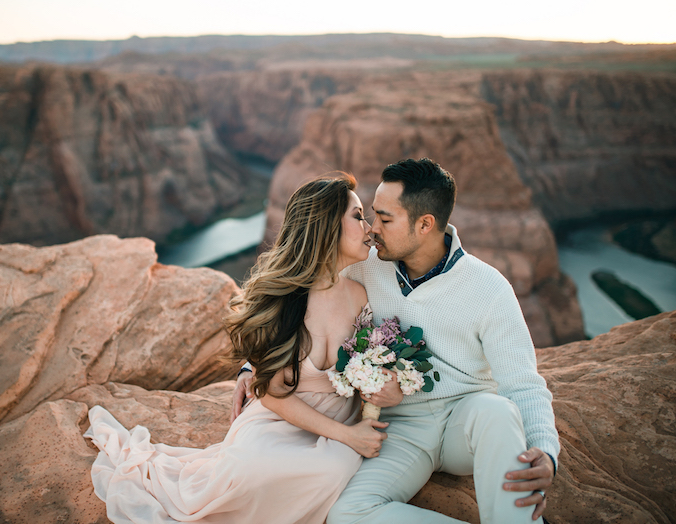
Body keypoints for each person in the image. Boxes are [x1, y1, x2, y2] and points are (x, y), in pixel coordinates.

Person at [233, 158, 560, 523]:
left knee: (497, 411)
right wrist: (254, 364)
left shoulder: (489, 287)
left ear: (424, 224)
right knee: (347, 515)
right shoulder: (361, 265)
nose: (372, 230)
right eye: (370, 215)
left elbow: (525, 386)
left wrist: (545, 453)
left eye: (385, 220)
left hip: (464, 423)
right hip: (399, 430)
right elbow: (300, 295)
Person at [84, 175, 388, 524]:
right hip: (281, 418)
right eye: (358, 216)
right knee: (246, 469)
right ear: (326, 227)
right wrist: (348, 435)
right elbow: (274, 395)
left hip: (336, 422)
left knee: (332, 470)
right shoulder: (282, 300)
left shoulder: (362, 293)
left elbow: (375, 359)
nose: (369, 228)